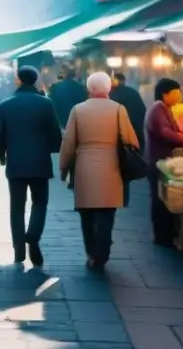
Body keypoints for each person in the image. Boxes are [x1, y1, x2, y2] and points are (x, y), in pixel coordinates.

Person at [60, 72, 140, 270]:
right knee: (106, 213)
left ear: (89, 89)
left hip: (84, 167)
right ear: (108, 88)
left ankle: (91, 252)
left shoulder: (77, 110)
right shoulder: (118, 109)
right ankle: (102, 254)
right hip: (111, 167)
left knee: (86, 214)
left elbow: (69, 143)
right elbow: (131, 140)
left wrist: (63, 168)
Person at [0, 66, 63, 266]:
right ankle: (32, 236)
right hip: (40, 162)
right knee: (40, 203)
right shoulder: (45, 104)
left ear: (18, 80)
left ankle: (19, 251)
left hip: (15, 162)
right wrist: (50, 148)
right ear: (35, 80)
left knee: (16, 207)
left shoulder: (6, 105)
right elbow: (55, 135)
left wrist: (1, 155)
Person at [144, 78, 183, 247]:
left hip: (162, 161)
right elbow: (165, 133)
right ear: (166, 94)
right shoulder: (158, 109)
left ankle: (166, 234)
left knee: (162, 199)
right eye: (176, 92)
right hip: (158, 162)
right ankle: (162, 236)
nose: (180, 95)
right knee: (159, 200)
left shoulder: (164, 108)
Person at [109, 72, 147, 149]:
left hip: (119, 134)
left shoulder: (111, 94)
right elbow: (143, 111)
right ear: (124, 81)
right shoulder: (133, 92)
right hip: (137, 129)